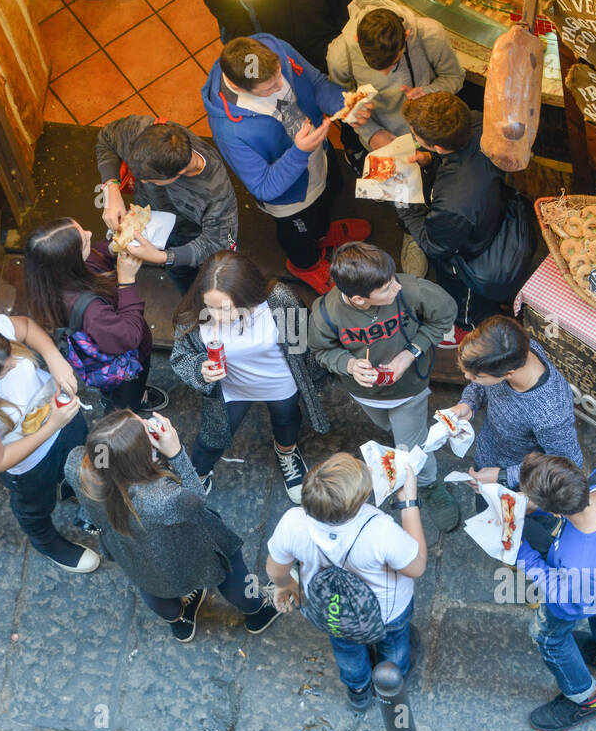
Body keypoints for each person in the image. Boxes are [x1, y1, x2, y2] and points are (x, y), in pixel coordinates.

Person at [65, 411, 281, 643]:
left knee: (152, 586)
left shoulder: (77, 465)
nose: (148, 423)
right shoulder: (163, 498)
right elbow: (196, 499)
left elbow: (111, 464)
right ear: (141, 457)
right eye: (144, 429)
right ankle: (256, 609)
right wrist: (176, 453)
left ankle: (180, 622)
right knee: (231, 572)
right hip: (190, 547)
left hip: (132, 552)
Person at [305, 242, 460, 534]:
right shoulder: (326, 313)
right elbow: (321, 351)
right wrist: (349, 365)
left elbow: (445, 314)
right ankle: (408, 446)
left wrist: (411, 351)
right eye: (387, 288)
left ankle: (428, 485)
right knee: (388, 428)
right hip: (365, 395)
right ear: (359, 299)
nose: (396, 288)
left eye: (393, 279)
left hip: (409, 390)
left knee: (410, 446)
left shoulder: (412, 289)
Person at [202, 34, 373, 295]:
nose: (281, 85)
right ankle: (306, 264)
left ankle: (322, 233)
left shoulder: (273, 47)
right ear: (239, 88)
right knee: (297, 235)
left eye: (280, 73)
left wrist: (344, 105)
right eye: (270, 89)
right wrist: (299, 153)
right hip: (290, 197)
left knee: (330, 193)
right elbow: (262, 186)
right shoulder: (229, 130)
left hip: (320, 156)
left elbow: (315, 82)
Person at [266, 453, 426, 710]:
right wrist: (408, 503)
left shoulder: (293, 523)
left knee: (345, 647)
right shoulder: (380, 531)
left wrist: (286, 586)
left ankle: (358, 690)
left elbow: (275, 569)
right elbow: (416, 566)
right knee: (394, 643)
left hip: (333, 612)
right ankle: (390, 681)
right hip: (388, 611)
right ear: (356, 504)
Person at [169, 250, 328, 502]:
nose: (215, 315)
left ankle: (286, 452)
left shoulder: (279, 299)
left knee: (287, 420)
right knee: (210, 440)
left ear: (247, 295)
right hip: (231, 388)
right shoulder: (194, 313)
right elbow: (180, 356)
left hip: (280, 382)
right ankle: (196, 476)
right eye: (209, 306)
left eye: (224, 308)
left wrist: (312, 379)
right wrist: (200, 368)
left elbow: (302, 343)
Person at [0, 315, 100, 573]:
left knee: (80, 462)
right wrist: (53, 425)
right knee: (35, 506)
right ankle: (46, 541)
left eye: (11, 355)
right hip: (30, 464)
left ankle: (73, 488)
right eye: (6, 368)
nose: (15, 363)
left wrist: (54, 359)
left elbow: (29, 327)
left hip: (61, 417)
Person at [515, 452, 596, 731]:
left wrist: (521, 555)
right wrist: (539, 508)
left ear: (557, 512)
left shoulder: (576, 558)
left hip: (580, 590)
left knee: (548, 637)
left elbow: (567, 603)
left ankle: (586, 698)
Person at [399, 93, 528, 340]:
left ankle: (469, 325)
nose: (413, 137)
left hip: (471, 252)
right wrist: (431, 160)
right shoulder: (479, 122)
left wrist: (404, 202)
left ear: (437, 145)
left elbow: (435, 245)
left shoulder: (453, 203)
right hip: (495, 208)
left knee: (466, 301)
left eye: (415, 135)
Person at [24, 217, 167, 413]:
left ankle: (113, 395)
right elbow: (129, 337)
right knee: (125, 399)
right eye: (84, 238)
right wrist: (127, 281)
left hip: (97, 350)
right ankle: (127, 408)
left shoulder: (47, 277)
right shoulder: (92, 311)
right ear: (72, 259)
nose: (90, 233)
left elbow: (94, 255)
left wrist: (112, 248)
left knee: (114, 388)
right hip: (122, 362)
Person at [94, 117, 239, 293]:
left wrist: (163, 257)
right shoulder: (140, 131)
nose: (141, 182)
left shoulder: (216, 193)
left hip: (186, 237)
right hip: (152, 218)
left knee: (185, 277)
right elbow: (106, 138)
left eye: (150, 180)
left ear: (180, 173)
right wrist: (112, 189)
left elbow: (216, 243)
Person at [445, 315, 582, 496]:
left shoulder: (550, 413)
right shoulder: (515, 349)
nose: (467, 378)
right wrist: (469, 403)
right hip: (489, 454)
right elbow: (482, 385)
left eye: (475, 376)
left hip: (518, 483)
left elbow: (567, 463)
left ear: (508, 373)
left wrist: (504, 476)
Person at [326, 0, 467, 155]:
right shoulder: (339, 55)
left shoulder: (430, 35)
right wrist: (371, 133)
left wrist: (429, 91)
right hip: (381, 142)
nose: (385, 73)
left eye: (394, 63)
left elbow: (454, 77)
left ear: (406, 36)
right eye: (374, 66)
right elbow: (341, 101)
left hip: (432, 139)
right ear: (357, 40)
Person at [201, 0, 358, 75]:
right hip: (282, 71)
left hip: (332, 61)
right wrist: (260, 79)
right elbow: (241, 40)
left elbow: (352, 20)